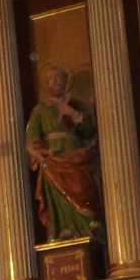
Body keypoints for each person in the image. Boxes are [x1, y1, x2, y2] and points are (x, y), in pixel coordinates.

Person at [25, 64, 101, 241]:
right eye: (50, 79)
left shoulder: (75, 105)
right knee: (58, 195)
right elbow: (32, 137)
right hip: (53, 159)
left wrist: (74, 115)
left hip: (75, 154)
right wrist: (39, 153)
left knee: (82, 187)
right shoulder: (40, 110)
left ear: (66, 82)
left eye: (58, 78)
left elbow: (89, 132)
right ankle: (63, 229)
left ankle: (87, 225)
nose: (55, 82)